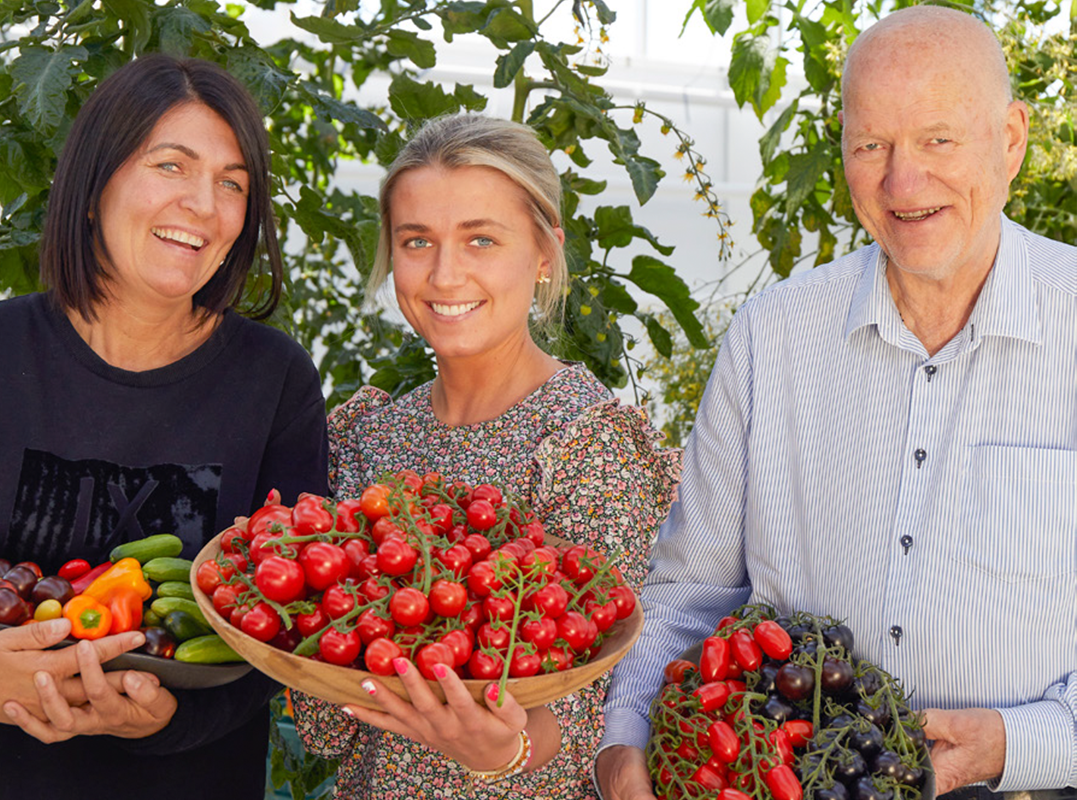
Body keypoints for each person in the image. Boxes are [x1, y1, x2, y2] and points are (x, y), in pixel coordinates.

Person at [597, 6, 1076, 799]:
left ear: (1012, 138)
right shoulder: (772, 337)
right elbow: (691, 590)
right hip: (790, 777)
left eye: (938, 140)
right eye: (871, 146)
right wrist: (625, 740)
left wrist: (1017, 742)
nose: (903, 181)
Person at [0, 55, 329, 799]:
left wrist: (163, 721)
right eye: (171, 166)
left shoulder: (274, 380)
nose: (203, 206)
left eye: (232, 183)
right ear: (95, 185)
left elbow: (281, 630)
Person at [289, 113, 681, 798]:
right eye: (417, 241)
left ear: (543, 251)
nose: (444, 274)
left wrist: (507, 747)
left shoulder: (586, 444)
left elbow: (605, 701)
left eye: (481, 239)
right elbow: (329, 726)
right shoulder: (370, 439)